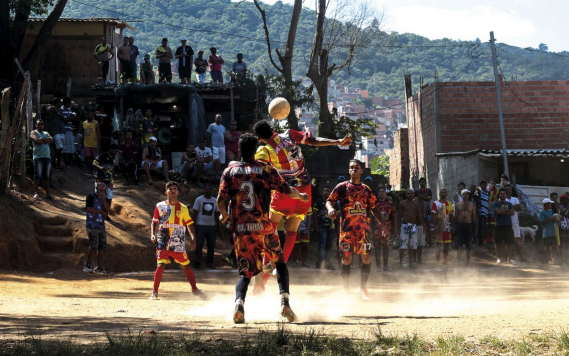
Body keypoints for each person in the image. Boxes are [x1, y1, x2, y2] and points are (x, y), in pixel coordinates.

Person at [216, 134, 309, 323]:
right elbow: (286, 190)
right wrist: (300, 197)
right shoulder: (266, 169)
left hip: (242, 230)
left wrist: (224, 215)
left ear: (239, 150)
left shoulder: (230, 170)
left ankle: (239, 305)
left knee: (245, 273)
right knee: (280, 263)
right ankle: (285, 303)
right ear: (255, 149)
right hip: (264, 228)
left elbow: (220, 200)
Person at [252, 120, 352, 292]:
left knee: (269, 231)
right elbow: (313, 141)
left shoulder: (265, 149)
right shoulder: (289, 134)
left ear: (260, 139)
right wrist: (337, 142)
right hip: (305, 190)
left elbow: (259, 171)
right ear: (273, 129)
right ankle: (274, 268)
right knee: (292, 231)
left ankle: (261, 280)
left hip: (286, 191)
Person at [326, 159, 382, 301]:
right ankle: (346, 290)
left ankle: (363, 287)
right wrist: (331, 209)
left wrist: (382, 225)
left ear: (361, 170)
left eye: (357, 167)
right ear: (348, 170)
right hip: (347, 230)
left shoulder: (366, 189)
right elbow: (329, 200)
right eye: (351, 167)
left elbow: (374, 207)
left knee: (366, 257)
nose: (354, 170)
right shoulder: (342, 187)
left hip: (363, 231)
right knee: (346, 259)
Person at [150, 181, 206, 300]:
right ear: (166, 192)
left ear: (178, 192)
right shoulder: (159, 206)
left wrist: (193, 238)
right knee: (160, 264)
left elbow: (189, 224)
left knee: (185, 265)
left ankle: (194, 289)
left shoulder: (184, 208)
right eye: (170, 189)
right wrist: (153, 234)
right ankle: (154, 292)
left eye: (175, 188)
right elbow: (154, 221)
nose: (173, 190)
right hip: (163, 239)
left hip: (178, 240)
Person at [83, 182, 110, 274]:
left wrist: (103, 199)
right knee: (93, 246)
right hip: (92, 225)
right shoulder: (91, 196)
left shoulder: (105, 198)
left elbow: (107, 209)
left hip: (101, 225)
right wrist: (100, 212)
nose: (101, 191)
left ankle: (99, 267)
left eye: (103, 189)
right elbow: (88, 208)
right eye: (100, 189)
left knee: (102, 247)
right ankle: (88, 265)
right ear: (96, 189)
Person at [191, 184, 220, 269]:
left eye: (210, 189)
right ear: (204, 190)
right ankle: (197, 263)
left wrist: (217, 225)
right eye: (207, 189)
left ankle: (209, 263)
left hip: (211, 226)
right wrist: (194, 225)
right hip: (201, 226)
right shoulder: (199, 199)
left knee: (211, 246)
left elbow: (217, 214)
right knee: (199, 245)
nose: (208, 191)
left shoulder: (215, 200)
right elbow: (195, 213)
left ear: (212, 190)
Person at [371, 185, 397, 272]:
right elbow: (370, 216)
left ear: (385, 193)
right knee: (377, 247)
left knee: (386, 247)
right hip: (376, 228)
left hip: (387, 228)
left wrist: (394, 228)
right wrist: (370, 227)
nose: (381, 193)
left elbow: (394, 216)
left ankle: (385, 265)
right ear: (378, 193)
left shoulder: (389, 203)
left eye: (383, 191)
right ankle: (378, 266)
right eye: (380, 192)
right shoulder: (374, 203)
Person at [30, 119, 54, 201]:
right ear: (35, 125)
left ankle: (48, 194)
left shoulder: (46, 133)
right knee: (37, 176)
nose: (40, 125)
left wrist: (42, 139)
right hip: (38, 157)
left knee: (46, 176)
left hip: (47, 157)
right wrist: (45, 140)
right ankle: (36, 193)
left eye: (42, 124)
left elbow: (51, 140)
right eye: (39, 124)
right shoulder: (33, 132)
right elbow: (37, 141)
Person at [398, 189, 423, 267]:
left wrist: (423, 225)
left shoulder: (416, 204)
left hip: (414, 226)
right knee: (403, 245)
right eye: (408, 193)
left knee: (413, 245)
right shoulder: (402, 203)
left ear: (414, 194)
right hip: (405, 225)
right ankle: (401, 262)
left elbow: (419, 215)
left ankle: (411, 262)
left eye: (411, 193)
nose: (410, 195)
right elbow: (399, 215)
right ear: (406, 194)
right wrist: (398, 226)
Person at [313, 186, 335, 270]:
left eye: (328, 191)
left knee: (329, 246)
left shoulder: (333, 202)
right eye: (325, 191)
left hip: (331, 227)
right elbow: (315, 214)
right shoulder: (319, 201)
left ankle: (327, 263)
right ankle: (319, 262)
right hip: (322, 227)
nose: (326, 192)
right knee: (322, 244)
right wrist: (316, 225)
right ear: (322, 192)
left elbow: (337, 215)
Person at [93, 144, 119, 210]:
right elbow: (94, 163)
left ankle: (106, 214)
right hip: (101, 179)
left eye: (117, 152)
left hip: (110, 181)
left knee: (109, 198)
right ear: (111, 149)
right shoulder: (102, 155)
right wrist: (100, 167)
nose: (116, 153)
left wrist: (114, 175)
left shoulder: (113, 158)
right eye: (115, 151)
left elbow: (112, 169)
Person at [454, 189, 477, 265]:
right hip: (460, 225)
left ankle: (468, 261)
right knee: (459, 244)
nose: (465, 196)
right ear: (461, 195)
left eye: (466, 194)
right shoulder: (457, 205)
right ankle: (458, 261)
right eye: (463, 194)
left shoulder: (472, 205)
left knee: (468, 244)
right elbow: (456, 216)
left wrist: (476, 227)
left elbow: (474, 217)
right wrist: (454, 227)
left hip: (468, 225)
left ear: (468, 195)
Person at [431, 189, 453, 265]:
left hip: (447, 226)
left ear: (447, 194)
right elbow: (433, 215)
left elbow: (451, 216)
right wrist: (435, 225)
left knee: (447, 244)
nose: (443, 193)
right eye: (441, 192)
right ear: (439, 194)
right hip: (439, 226)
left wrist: (453, 226)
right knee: (438, 244)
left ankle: (445, 259)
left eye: (444, 192)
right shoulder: (435, 203)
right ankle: (438, 260)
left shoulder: (449, 203)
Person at [493, 188, 515, 264]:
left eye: (504, 193)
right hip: (499, 225)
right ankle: (498, 258)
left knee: (509, 243)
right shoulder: (496, 203)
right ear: (499, 195)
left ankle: (509, 258)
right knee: (498, 243)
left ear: (506, 195)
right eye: (501, 193)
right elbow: (498, 211)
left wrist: (502, 211)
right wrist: (506, 210)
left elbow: (512, 213)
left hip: (508, 225)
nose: (502, 195)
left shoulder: (509, 204)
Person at [505, 184, 526, 262]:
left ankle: (521, 257)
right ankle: (509, 258)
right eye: (507, 189)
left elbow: (519, 207)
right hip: (506, 223)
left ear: (511, 191)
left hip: (515, 222)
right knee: (508, 241)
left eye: (510, 189)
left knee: (517, 241)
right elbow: (515, 207)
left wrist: (508, 207)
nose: (508, 191)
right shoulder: (503, 200)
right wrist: (513, 207)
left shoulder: (515, 199)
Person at [81, 111, 101, 178]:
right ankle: (89, 172)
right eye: (89, 114)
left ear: (93, 115)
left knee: (95, 159)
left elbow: (98, 133)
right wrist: (82, 143)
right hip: (86, 143)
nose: (90, 115)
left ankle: (93, 171)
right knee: (88, 158)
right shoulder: (84, 123)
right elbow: (83, 133)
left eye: (91, 114)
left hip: (94, 143)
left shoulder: (96, 123)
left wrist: (98, 143)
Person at [540, 198, 557, 265]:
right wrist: (550, 218)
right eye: (549, 203)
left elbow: (554, 220)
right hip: (546, 232)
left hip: (553, 231)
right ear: (546, 204)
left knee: (554, 246)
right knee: (547, 247)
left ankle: (554, 259)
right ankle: (549, 260)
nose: (551, 205)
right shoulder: (542, 212)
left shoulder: (551, 212)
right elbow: (542, 222)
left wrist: (556, 219)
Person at [415, 188, 429, 264]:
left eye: (424, 194)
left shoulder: (426, 204)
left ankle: (419, 260)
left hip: (422, 225)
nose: (422, 195)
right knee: (414, 244)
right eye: (421, 194)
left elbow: (428, 215)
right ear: (418, 194)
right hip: (414, 225)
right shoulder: (414, 203)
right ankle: (414, 260)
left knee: (420, 244)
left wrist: (427, 227)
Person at [486, 177, 499, 244]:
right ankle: (485, 238)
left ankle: (490, 238)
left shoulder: (497, 191)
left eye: (494, 181)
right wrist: (489, 190)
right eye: (492, 181)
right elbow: (485, 195)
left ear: (496, 182)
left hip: (493, 209)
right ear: (490, 182)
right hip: (486, 208)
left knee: (492, 224)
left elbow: (498, 199)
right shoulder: (487, 188)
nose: (493, 183)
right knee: (486, 224)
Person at [476, 180, 490, 246]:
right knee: (480, 227)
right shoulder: (479, 191)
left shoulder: (487, 193)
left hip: (485, 212)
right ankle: (479, 242)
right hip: (480, 212)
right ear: (480, 185)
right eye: (482, 184)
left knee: (483, 228)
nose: (484, 185)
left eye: (485, 184)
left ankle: (481, 241)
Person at [558, 194, 569, 265]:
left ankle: (567, 259)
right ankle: (562, 259)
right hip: (562, 227)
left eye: (567, 199)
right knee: (562, 243)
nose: (566, 201)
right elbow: (562, 214)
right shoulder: (560, 207)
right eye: (565, 199)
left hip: (568, 227)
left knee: (567, 244)